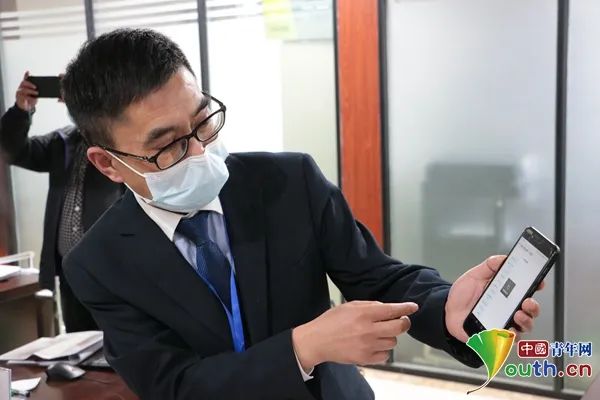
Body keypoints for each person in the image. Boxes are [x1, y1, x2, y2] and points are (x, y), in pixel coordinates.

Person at [61, 29, 543, 400]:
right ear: (108, 163)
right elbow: (175, 387)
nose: (201, 151)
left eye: (203, 120)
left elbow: (377, 278)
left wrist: (447, 306)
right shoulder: (99, 264)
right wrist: (302, 347)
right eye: (167, 145)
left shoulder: (288, 182)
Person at [0, 72, 124, 332]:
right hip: (70, 273)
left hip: (111, 271)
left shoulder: (119, 143)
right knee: (78, 340)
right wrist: (22, 111)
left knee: (115, 340)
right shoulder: (62, 142)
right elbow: (10, 149)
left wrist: (87, 101)